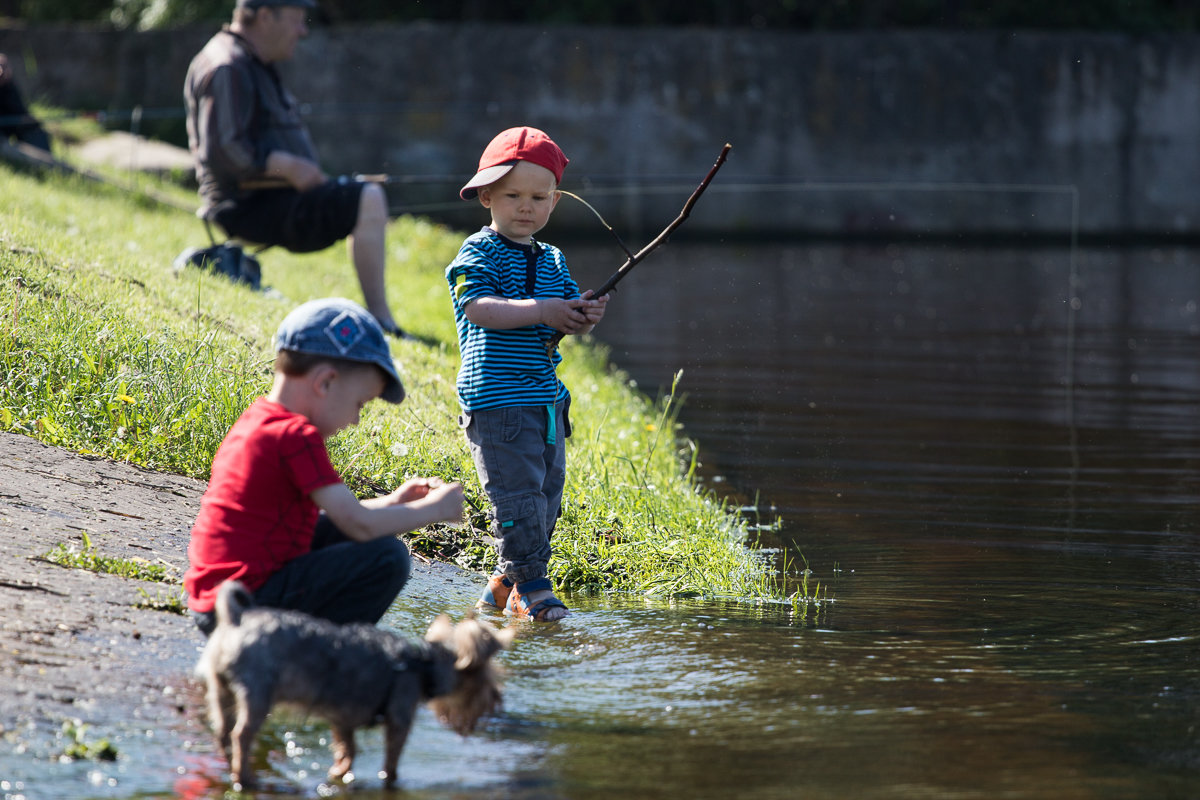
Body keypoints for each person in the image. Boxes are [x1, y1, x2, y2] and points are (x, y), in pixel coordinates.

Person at [184, 297, 464, 636]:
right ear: (325, 383)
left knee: (327, 527)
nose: (357, 420)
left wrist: (393, 503)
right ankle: (319, 658)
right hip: (243, 609)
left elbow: (342, 516)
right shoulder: (296, 435)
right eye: (359, 404)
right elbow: (359, 524)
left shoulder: (259, 419)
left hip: (218, 600)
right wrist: (435, 509)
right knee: (386, 557)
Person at [445, 127, 608, 621]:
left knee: (545, 499)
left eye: (538, 197)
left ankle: (504, 584)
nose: (525, 207)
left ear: (554, 202)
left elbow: (563, 313)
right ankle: (534, 587)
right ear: (487, 196)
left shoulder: (553, 259)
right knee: (515, 497)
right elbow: (480, 309)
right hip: (498, 402)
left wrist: (581, 315)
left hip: (547, 402)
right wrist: (543, 310)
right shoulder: (478, 253)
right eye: (513, 195)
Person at [183, 0, 404, 336]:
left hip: (272, 200)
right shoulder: (228, 66)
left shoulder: (252, 61)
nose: (303, 31)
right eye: (297, 20)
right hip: (247, 206)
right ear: (265, 15)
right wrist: (285, 165)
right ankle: (383, 322)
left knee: (362, 193)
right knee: (368, 196)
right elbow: (224, 150)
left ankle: (381, 317)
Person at [0, 53, 51, 153]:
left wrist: (28, 119)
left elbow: (18, 109)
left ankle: (46, 159)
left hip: (13, 123)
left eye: (5, 67)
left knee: (35, 129)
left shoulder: (10, 87)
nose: (2, 72)